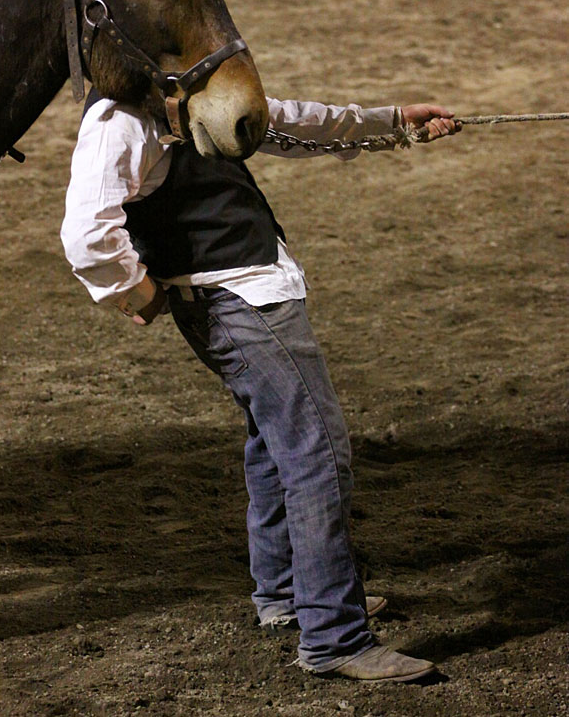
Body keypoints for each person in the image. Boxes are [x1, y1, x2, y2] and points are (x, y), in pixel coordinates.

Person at [61, 89, 459, 682]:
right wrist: (138, 294)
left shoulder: (184, 90)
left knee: (276, 446)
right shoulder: (119, 116)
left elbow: (288, 121)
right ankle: (334, 636)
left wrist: (392, 123)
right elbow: (87, 235)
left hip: (242, 297)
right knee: (317, 455)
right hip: (242, 303)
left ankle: (287, 596)